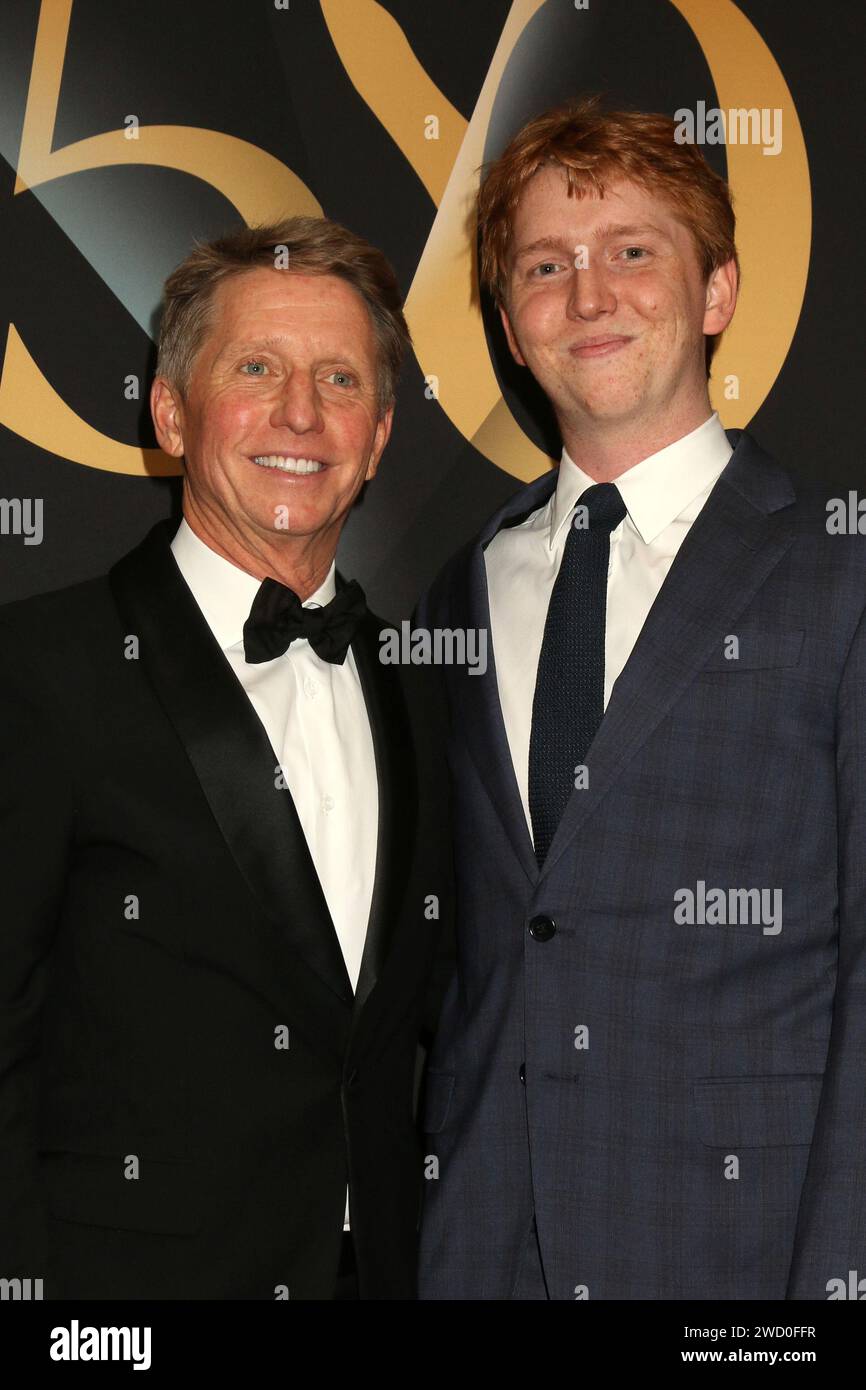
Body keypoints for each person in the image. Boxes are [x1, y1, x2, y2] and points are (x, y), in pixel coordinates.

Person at [418, 96, 866, 1300]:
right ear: (510, 325)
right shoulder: (465, 582)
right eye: (544, 266)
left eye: (630, 251)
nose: (588, 293)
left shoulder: (839, 566)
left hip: (737, 1257)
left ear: (715, 293)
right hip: (481, 1250)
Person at [0, 217, 452, 1300]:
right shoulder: (39, 671)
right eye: (256, 368)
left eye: (340, 379)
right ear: (169, 410)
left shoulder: (425, 687)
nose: (301, 413)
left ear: (380, 432)